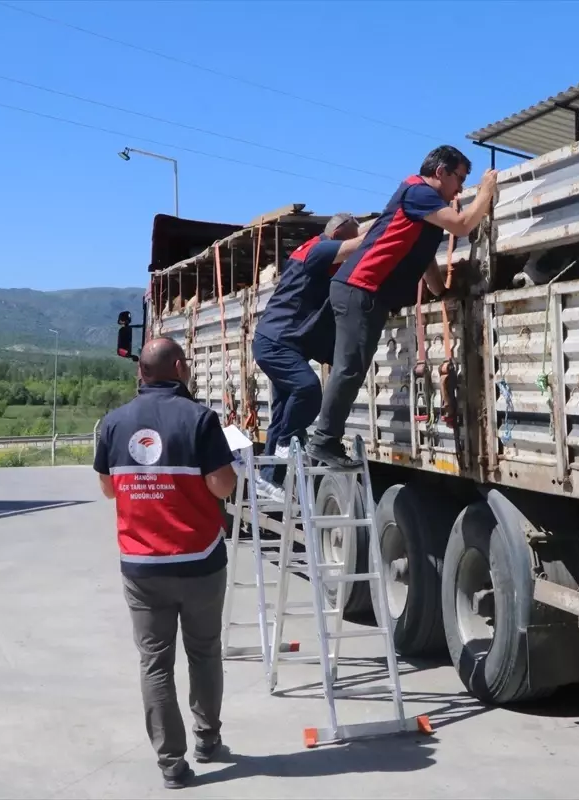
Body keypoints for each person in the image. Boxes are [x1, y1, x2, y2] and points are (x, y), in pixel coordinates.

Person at [93, 337, 238, 790]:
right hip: (198, 562)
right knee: (203, 651)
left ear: (141, 373)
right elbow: (224, 487)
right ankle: (207, 738)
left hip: (141, 567)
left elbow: (109, 489)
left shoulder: (113, 424)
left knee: (154, 663)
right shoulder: (200, 420)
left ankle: (170, 763)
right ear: (179, 367)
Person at [306, 145, 498, 468]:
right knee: (350, 368)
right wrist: (488, 190)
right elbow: (464, 225)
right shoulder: (418, 192)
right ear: (440, 173)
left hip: (364, 292)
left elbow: (423, 263)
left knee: (353, 367)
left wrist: (443, 292)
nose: (461, 189)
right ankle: (323, 441)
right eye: (460, 179)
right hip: (360, 287)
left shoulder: (425, 208)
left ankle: (326, 440)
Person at [251, 212, 366, 499]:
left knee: (282, 411)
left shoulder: (317, 249)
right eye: (351, 234)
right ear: (339, 234)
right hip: (276, 342)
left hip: (282, 341)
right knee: (307, 388)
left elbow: (359, 234)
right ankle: (289, 441)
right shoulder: (321, 249)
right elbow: (361, 244)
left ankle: (269, 480)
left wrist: (384, 217)